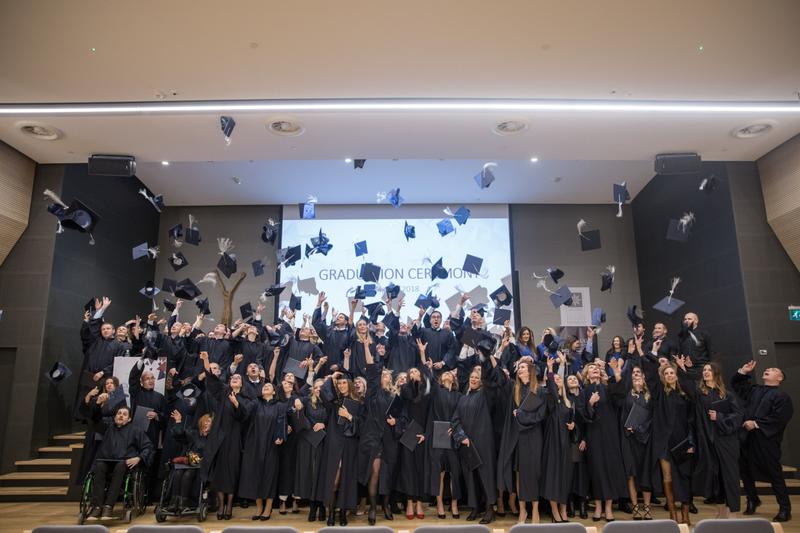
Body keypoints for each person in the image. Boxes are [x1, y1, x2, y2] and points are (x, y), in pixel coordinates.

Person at [677, 359, 743, 518]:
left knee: (730, 477)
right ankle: (720, 512)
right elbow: (687, 386)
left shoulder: (726, 394)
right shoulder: (700, 394)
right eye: (704, 370)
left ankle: (732, 512)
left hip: (726, 442)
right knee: (715, 477)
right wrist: (681, 368)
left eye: (709, 370)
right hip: (707, 442)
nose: (705, 372)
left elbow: (738, 416)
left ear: (716, 374)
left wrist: (719, 417)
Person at [638, 347, 695, 525]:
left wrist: (683, 369)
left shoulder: (685, 394)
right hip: (663, 442)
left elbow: (693, 418)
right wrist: (652, 353)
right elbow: (650, 374)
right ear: (663, 376)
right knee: (667, 477)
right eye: (667, 373)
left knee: (685, 476)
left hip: (683, 441)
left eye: (672, 372)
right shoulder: (659, 393)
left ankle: (685, 512)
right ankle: (673, 513)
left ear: (677, 375)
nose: (670, 375)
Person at [732, 360, 794, 522]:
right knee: (745, 471)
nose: (768, 369)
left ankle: (785, 508)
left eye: (773, 369)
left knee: (775, 474)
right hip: (747, 437)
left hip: (766, 440)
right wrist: (744, 372)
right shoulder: (755, 390)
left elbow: (780, 418)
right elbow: (737, 385)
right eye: (767, 369)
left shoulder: (782, 396)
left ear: (779, 378)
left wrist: (757, 424)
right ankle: (752, 500)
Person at [494, 350, 547, 524]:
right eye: (519, 367)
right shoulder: (514, 389)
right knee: (520, 474)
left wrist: (522, 416)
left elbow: (540, 416)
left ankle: (535, 510)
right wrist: (498, 352)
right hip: (518, 437)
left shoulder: (538, 390)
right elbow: (499, 376)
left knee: (534, 473)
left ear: (530, 370)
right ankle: (523, 510)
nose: (520, 369)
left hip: (534, 436)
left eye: (523, 366)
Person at [198, 350, 250, 520]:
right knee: (219, 474)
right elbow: (211, 380)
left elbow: (245, 417)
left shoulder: (246, 398)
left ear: (242, 384)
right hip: (219, 438)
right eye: (233, 378)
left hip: (234, 440)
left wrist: (237, 405)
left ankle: (229, 506)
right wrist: (206, 359)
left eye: (238, 379)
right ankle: (220, 505)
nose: (235, 380)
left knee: (231, 472)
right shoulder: (223, 393)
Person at [577, 362, 628, 521]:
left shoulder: (608, 388)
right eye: (591, 368)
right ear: (586, 374)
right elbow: (581, 417)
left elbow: (620, 398)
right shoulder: (584, 392)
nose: (595, 370)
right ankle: (598, 506)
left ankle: (608, 507)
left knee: (611, 469)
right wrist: (590, 403)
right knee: (597, 469)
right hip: (594, 435)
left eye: (597, 368)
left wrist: (616, 374)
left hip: (610, 434)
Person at [85, 405, 153, 521]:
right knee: (99, 465)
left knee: (121, 465)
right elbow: (95, 420)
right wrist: (97, 405)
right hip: (106, 461)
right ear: (115, 416)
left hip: (124, 463)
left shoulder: (135, 431)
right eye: (119, 413)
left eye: (124, 414)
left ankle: (108, 506)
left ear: (129, 419)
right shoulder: (107, 428)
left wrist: (139, 458)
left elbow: (148, 447)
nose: (121, 415)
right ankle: (96, 506)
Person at [451, 357, 497, 524]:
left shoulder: (485, 395)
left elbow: (491, 380)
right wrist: (461, 436)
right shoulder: (463, 398)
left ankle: (490, 509)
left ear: (481, 381)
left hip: (483, 441)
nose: (474, 379)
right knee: (471, 477)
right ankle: (475, 507)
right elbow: (454, 420)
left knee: (486, 475)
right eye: (472, 378)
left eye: (477, 378)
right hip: (467, 443)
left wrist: (487, 359)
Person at [357, 348, 401, 524]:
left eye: (387, 376)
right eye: (382, 375)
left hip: (389, 437)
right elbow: (371, 368)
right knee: (374, 471)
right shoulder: (372, 394)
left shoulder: (395, 396)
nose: (384, 377)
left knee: (387, 474)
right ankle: (373, 507)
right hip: (373, 437)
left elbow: (402, 417)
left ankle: (386, 504)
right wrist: (368, 346)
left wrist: (396, 422)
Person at [608, 361, 655, 520]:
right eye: (633, 374)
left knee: (646, 474)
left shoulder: (650, 397)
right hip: (628, 439)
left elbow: (652, 419)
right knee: (631, 474)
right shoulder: (626, 395)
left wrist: (639, 429)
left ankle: (647, 508)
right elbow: (616, 400)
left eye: (638, 374)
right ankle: (635, 507)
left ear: (644, 377)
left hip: (645, 439)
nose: (636, 376)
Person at [315, 369, 363, 526]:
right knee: (333, 480)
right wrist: (332, 377)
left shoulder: (359, 403)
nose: (341, 385)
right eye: (339, 383)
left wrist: (349, 416)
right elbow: (322, 392)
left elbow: (362, 426)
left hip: (350, 445)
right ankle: (331, 513)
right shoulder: (334, 403)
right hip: (334, 444)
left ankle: (343, 513)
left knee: (346, 480)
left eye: (344, 382)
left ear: (349, 384)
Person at [238, 381, 286, 520]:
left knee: (269, 475)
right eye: (264, 386)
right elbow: (244, 412)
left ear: (274, 392)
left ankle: (268, 508)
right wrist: (236, 403)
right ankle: (259, 507)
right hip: (255, 443)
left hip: (272, 444)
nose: (265, 387)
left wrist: (280, 436)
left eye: (269, 386)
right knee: (255, 474)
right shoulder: (255, 403)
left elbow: (282, 421)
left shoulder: (280, 406)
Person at [541, 357, 576, 523]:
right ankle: (555, 511)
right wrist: (550, 369)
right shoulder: (550, 398)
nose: (556, 381)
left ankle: (563, 508)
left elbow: (573, 420)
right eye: (554, 380)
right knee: (553, 475)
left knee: (565, 476)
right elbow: (553, 392)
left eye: (559, 379)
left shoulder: (569, 401)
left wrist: (573, 425)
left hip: (565, 442)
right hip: (552, 441)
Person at [76, 297, 122, 420]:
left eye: (108, 328)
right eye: (103, 329)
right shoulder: (96, 341)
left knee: (104, 410)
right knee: (87, 407)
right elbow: (93, 327)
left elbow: (118, 363)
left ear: (113, 331)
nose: (105, 330)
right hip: (90, 377)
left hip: (106, 379)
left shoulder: (118, 345)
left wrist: (103, 372)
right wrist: (101, 310)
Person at [296, 378, 329, 522]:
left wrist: (324, 424)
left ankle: (321, 505)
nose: (319, 389)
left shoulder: (329, 403)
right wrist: (297, 402)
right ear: (313, 389)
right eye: (316, 387)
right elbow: (297, 404)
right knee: (311, 473)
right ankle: (313, 505)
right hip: (308, 441)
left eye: (322, 387)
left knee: (321, 473)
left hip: (324, 441)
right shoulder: (307, 401)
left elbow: (334, 420)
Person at [168, 410, 212, 513]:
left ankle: (185, 503)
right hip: (187, 463)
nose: (206, 423)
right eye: (204, 421)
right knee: (178, 473)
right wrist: (178, 421)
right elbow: (179, 435)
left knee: (188, 474)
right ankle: (174, 502)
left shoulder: (213, 439)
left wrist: (195, 460)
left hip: (200, 468)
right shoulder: (194, 434)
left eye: (209, 421)